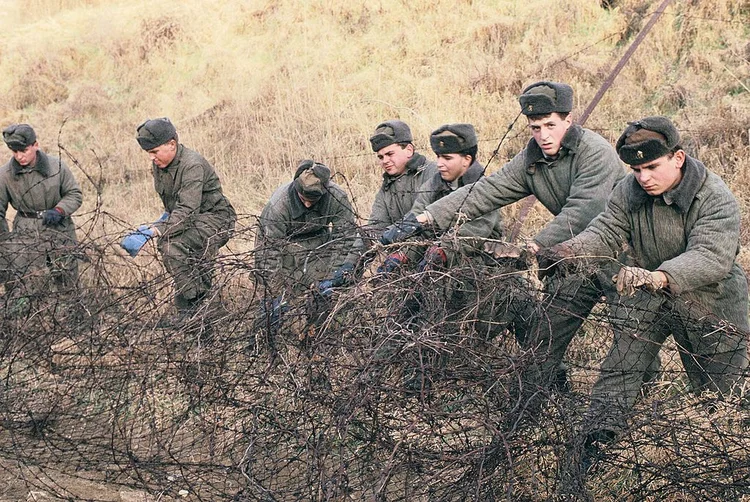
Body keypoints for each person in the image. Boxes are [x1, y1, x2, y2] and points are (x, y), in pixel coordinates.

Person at [543, 116, 749, 465]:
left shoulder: (715, 197)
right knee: (617, 374)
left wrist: (661, 277)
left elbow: (711, 257)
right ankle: (591, 451)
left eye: (652, 167)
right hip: (645, 294)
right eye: (636, 169)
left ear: (678, 158)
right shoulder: (628, 189)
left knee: (723, 395)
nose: (643, 178)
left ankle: (729, 461)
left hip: (709, 300)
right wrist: (568, 251)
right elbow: (605, 231)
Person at [385, 82, 626, 369]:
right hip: (570, 254)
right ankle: (544, 397)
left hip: (621, 253)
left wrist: (533, 247)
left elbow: (584, 209)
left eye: (550, 125)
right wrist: (425, 218)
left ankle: (645, 390)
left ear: (568, 120)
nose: (543, 136)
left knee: (629, 339)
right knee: (543, 341)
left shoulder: (595, 152)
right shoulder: (531, 159)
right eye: (535, 128)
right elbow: (487, 190)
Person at [122, 117, 236, 322]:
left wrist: (155, 230)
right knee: (187, 260)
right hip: (191, 219)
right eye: (149, 153)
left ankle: (198, 304)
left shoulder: (192, 165)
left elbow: (187, 210)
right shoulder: (160, 165)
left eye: (154, 152)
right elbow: (172, 206)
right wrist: (158, 222)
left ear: (171, 144)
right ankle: (198, 307)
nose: (151, 158)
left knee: (171, 246)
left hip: (216, 219)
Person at [319, 120, 436, 293]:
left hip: (438, 260)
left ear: (409, 150)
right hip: (407, 268)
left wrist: (401, 252)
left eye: (390, 154)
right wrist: (351, 266)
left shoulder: (432, 173)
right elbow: (374, 228)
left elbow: (423, 217)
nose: (385, 161)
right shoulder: (387, 187)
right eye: (380, 157)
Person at [380, 122, 503, 270]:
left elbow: (475, 233)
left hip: (480, 267)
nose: (439, 164)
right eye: (438, 157)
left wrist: (442, 252)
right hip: (438, 268)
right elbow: (418, 221)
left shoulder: (485, 190)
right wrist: (402, 254)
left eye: (447, 158)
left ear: (467, 159)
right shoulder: (432, 185)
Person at [0, 123, 82, 301]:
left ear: (35, 145)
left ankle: (72, 320)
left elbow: (74, 194)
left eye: (24, 150)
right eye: (15, 152)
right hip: (25, 233)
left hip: (59, 228)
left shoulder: (57, 166)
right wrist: (5, 243)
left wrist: (59, 210)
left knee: (67, 281)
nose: (20, 156)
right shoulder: (5, 174)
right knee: (26, 285)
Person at [255, 160, 356, 295]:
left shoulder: (336, 197)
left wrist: (332, 276)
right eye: (303, 199)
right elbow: (269, 253)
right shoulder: (278, 206)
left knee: (322, 297)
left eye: (313, 200)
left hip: (319, 245)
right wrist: (275, 292)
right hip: (283, 247)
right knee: (279, 300)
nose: (308, 205)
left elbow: (344, 238)